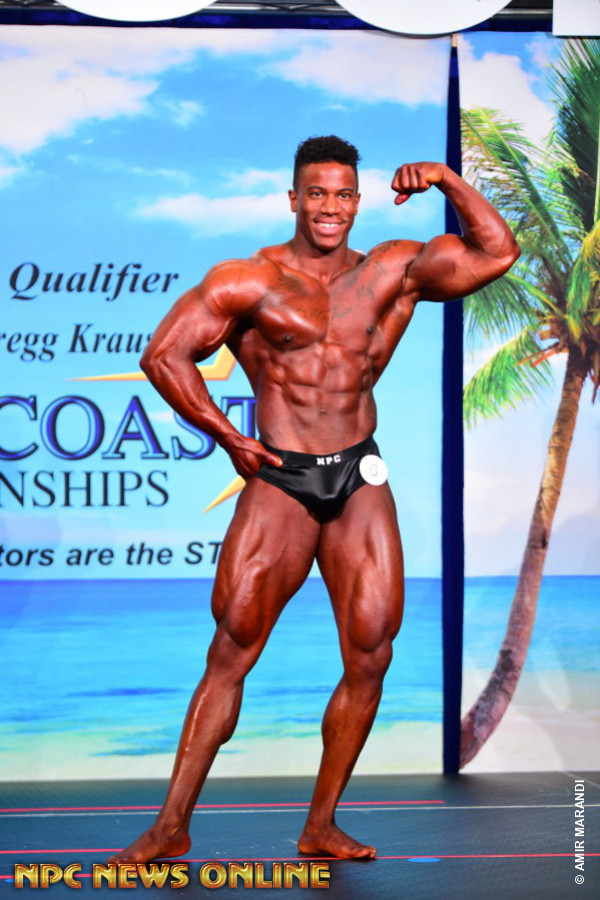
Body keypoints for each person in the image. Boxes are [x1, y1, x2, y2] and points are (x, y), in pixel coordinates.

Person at [110, 135, 519, 863]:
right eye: (318, 194)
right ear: (294, 199)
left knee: (371, 652)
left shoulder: (392, 270)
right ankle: (170, 827)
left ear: (358, 202)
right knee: (233, 647)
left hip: (359, 472)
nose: (331, 207)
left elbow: (497, 253)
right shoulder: (249, 279)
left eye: (343, 194)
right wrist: (229, 437)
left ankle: (320, 825)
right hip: (281, 477)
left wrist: (447, 178)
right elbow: (163, 355)